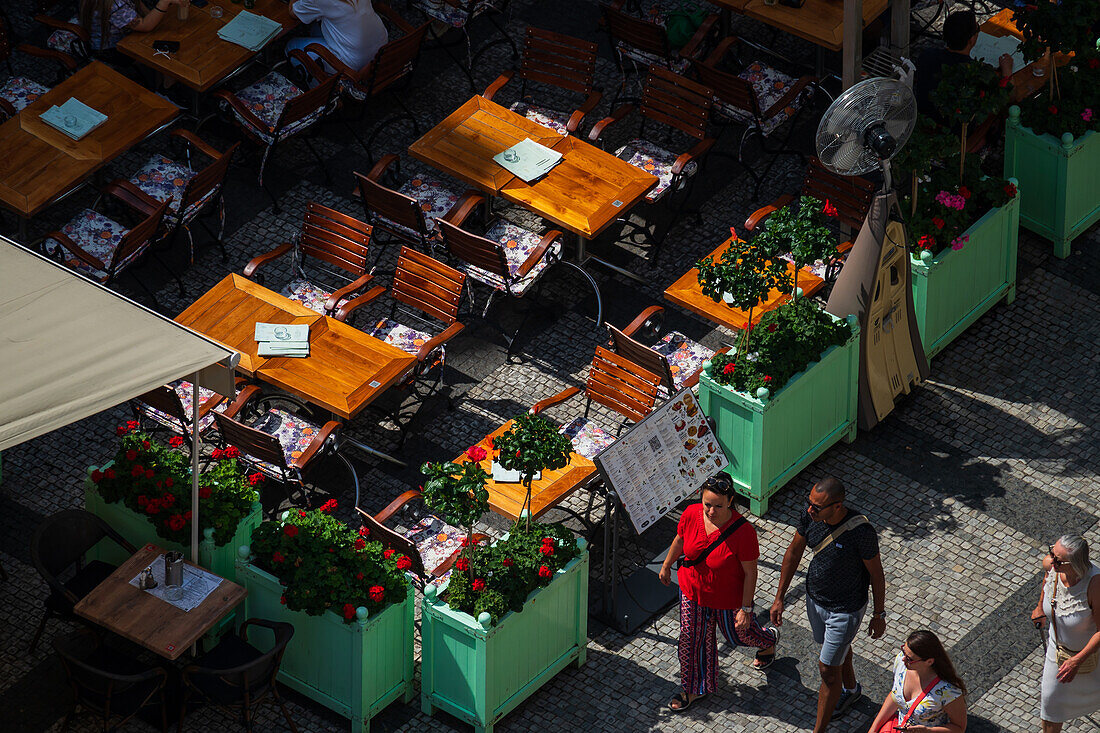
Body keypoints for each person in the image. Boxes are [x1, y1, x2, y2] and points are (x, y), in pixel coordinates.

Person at [770, 477, 887, 733]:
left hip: (845, 610)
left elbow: (877, 575)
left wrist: (879, 614)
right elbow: (793, 552)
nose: (810, 510)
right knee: (836, 652)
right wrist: (779, 598)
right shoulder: (810, 516)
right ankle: (852, 690)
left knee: (827, 670)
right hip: (815, 600)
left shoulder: (861, 532)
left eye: (817, 507)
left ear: (837, 506)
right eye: (809, 503)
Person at [658, 475, 779, 712]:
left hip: (729, 599)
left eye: (718, 506)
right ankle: (694, 688)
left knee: (738, 636)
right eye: (707, 504)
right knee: (691, 640)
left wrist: (745, 609)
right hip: (692, 590)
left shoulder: (744, 532)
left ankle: (768, 640)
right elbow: (680, 539)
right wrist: (666, 565)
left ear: (730, 501)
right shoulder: (691, 514)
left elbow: (750, 573)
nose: (711, 511)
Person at [1032, 535, 1100, 733]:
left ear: (1076, 564)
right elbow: (1047, 580)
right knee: (1050, 704)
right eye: (1052, 553)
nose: (1051, 561)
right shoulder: (1053, 566)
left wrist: (1077, 661)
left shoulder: (1095, 586)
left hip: (1090, 657)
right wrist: (1039, 608)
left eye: (1058, 559)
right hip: (1058, 653)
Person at [912, 10, 1013, 121]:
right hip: (957, 128)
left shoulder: (927, 55)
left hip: (924, 118)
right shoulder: (975, 73)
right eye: (977, 30)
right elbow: (1005, 96)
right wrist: (1007, 70)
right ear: (971, 39)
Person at [866, 630, 967, 733]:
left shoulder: (948, 690)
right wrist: (873, 729)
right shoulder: (902, 664)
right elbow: (895, 695)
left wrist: (928, 730)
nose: (903, 659)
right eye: (903, 651)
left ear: (929, 662)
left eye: (909, 659)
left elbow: (959, 728)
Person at [287, 0, 388, 73]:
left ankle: (320, 89)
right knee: (314, 28)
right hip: (380, 45)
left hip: (352, 62)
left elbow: (292, 12)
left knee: (291, 46)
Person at [78, 0, 185, 52]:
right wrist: (164, 2)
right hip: (111, 48)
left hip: (126, 33)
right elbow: (145, 26)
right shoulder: (114, 5)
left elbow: (140, 7)